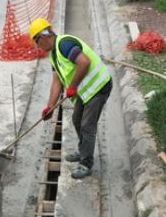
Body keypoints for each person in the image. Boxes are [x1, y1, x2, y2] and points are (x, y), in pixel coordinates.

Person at [30, 18, 112, 179]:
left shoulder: (64, 44)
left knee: (87, 125)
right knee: (76, 119)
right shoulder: (54, 55)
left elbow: (84, 62)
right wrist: (50, 107)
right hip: (86, 91)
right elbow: (56, 82)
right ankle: (83, 151)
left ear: (44, 36)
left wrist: (73, 85)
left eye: (37, 42)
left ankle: (86, 163)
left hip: (99, 86)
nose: (38, 47)